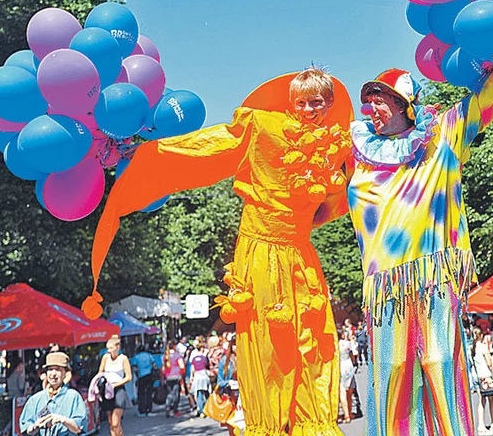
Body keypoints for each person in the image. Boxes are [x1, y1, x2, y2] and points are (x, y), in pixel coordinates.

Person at [82, 68, 355, 436]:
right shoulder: (261, 126)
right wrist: (152, 151)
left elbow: (335, 203)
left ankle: (312, 425)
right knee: (267, 348)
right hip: (261, 252)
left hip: (300, 256)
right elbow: (210, 146)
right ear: (291, 101)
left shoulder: (334, 146)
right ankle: (269, 427)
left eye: (316, 102)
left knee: (312, 342)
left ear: (329, 104)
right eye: (301, 102)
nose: (308, 109)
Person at [347, 31, 493, 436]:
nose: (371, 107)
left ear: (402, 104)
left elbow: (484, 103)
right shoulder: (354, 154)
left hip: (433, 274)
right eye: (370, 99)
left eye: (379, 98)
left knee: (439, 359)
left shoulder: (441, 135)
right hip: (385, 283)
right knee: (390, 368)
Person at [19, 351, 86, 436]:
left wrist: (62, 420)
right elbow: (25, 429)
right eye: (50, 369)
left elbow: (78, 429)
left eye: (58, 369)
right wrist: (35, 426)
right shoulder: (35, 399)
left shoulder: (73, 397)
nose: (53, 374)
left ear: (65, 373)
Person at [97, 335, 132, 436]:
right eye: (107, 348)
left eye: (111, 348)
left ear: (118, 347)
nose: (109, 351)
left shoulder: (123, 358)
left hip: (118, 390)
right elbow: (100, 372)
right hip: (107, 390)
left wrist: (116, 384)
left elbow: (128, 377)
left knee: (116, 422)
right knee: (111, 424)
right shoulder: (105, 358)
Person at [470, 327, 493, 435]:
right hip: (486, 375)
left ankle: (480, 424)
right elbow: (489, 362)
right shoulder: (483, 347)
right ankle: (492, 423)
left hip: (477, 376)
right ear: (481, 335)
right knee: (491, 400)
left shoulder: (472, 348)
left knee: (481, 401)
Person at [162, 340, 186, 418]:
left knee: (169, 393)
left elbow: (163, 368)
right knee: (176, 394)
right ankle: (175, 410)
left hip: (168, 377)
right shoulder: (177, 355)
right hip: (176, 376)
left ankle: (167, 407)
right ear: (174, 346)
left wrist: (163, 377)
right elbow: (182, 366)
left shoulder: (165, 356)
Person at [338, 327, 356, 423]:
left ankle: (346, 415)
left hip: (340, 367)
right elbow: (353, 354)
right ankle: (350, 412)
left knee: (342, 392)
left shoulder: (334, 346)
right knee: (349, 391)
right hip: (349, 367)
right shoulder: (347, 344)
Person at [133, 343, 156, 417]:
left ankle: (142, 410)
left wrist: (137, 376)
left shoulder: (136, 357)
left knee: (141, 394)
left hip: (141, 376)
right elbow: (154, 365)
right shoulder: (149, 355)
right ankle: (149, 409)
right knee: (149, 393)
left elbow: (135, 368)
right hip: (149, 376)